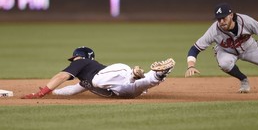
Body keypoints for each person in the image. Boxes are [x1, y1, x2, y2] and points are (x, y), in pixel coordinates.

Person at [185, 3, 258, 93]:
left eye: (224, 18)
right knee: (224, 64)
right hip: (226, 51)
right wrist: (191, 66)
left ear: (231, 15)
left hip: (250, 47)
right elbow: (195, 48)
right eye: (219, 19)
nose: (221, 21)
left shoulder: (246, 21)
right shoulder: (214, 30)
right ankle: (243, 79)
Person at [21, 46, 175, 99]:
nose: (73, 61)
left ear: (81, 57)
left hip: (118, 72)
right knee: (146, 82)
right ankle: (159, 74)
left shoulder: (82, 63)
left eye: (75, 57)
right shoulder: (85, 80)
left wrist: (41, 93)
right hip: (121, 90)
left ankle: (133, 75)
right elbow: (72, 90)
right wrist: (53, 93)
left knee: (97, 81)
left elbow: (61, 76)